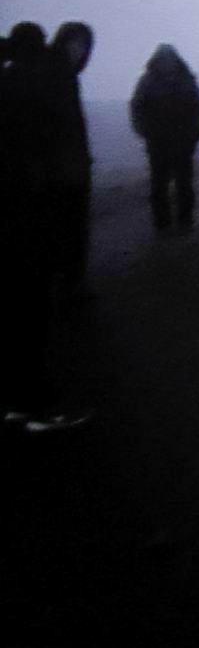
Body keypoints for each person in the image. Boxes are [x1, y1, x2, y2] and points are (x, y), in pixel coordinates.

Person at [0, 22, 90, 433]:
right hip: (28, 212)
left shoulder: (13, 79)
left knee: (21, 309)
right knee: (28, 309)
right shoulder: (39, 84)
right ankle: (35, 405)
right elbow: (47, 152)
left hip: (21, 211)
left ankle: (21, 400)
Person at [130, 44, 199, 232]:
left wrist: (195, 134)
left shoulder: (183, 80)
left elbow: (198, 108)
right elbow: (137, 109)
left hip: (180, 141)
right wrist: (146, 132)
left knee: (181, 183)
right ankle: (165, 223)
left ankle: (183, 221)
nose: (167, 63)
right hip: (160, 141)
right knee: (161, 184)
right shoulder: (150, 82)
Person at [46, 21, 94, 296]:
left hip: (69, 167)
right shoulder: (55, 76)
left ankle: (71, 283)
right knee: (65, 228)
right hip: (57, 170)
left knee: (71, 227)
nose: (78, 51)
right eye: (74, 44)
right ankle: (69, 286)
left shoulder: (64, 76)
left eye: (83, 46)